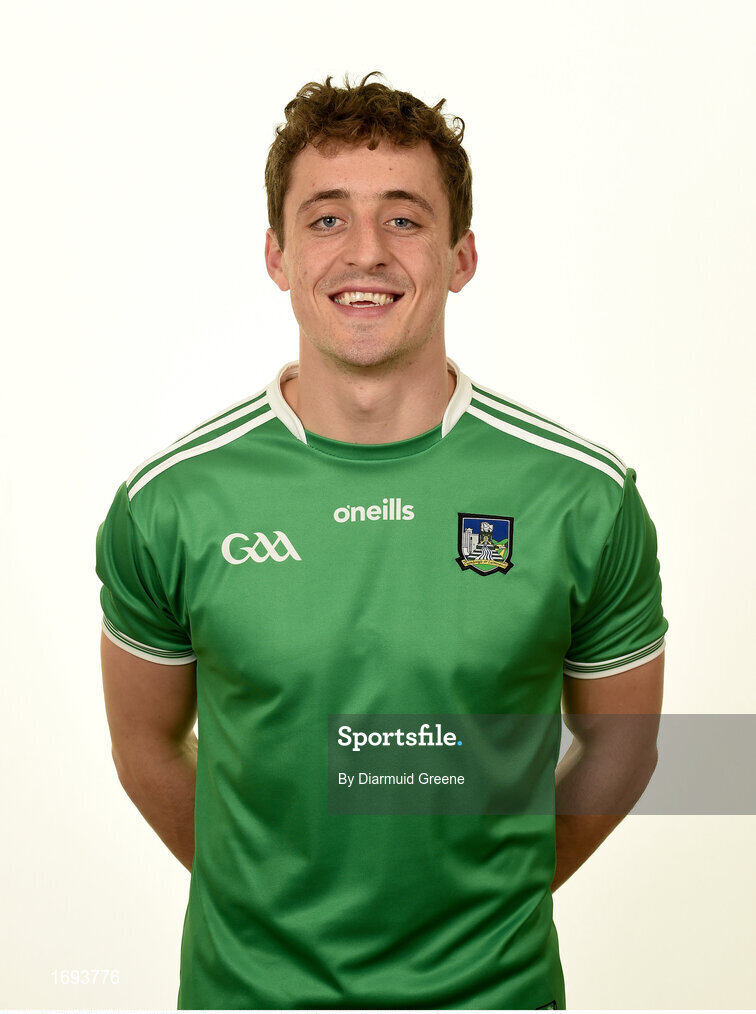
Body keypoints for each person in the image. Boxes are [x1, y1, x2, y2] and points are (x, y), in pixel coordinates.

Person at [97, 72, 667, 1010]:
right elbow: (146, 746)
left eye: (404, 219)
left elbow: (627, 746)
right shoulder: (172, 504)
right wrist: (267, 907)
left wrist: (488, 905)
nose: (365, 252)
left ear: (461, 254)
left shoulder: (582, 499)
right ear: (277, 255)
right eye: (326, 220)